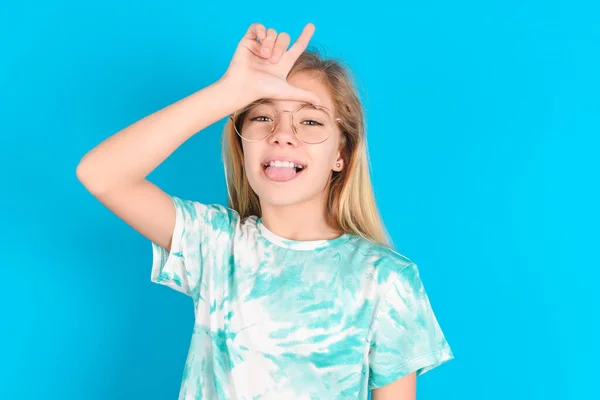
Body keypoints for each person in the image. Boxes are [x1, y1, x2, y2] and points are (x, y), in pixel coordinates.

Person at [76, 22, 454, 400]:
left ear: (341, 154)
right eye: (262, 116)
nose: (282, 133)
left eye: (310, 120)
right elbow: (102, 175)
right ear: (242, 147)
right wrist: (229, 93)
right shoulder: (215, 246)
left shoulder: (386, 279)